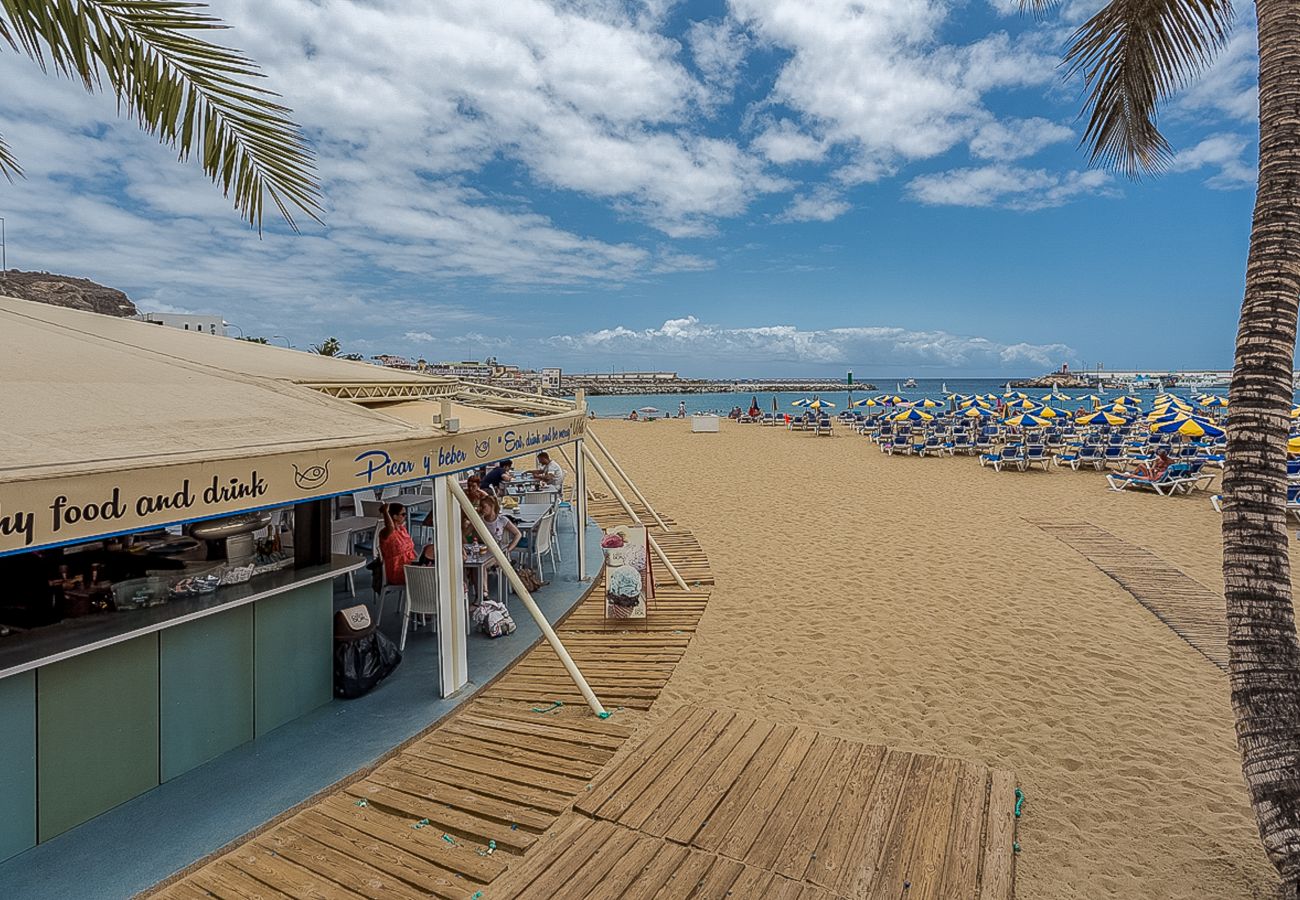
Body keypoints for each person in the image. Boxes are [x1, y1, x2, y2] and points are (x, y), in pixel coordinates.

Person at [378, 502, 416, 587]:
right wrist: (385, 512)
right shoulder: (385, 533)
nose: (405, 516)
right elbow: (390, 527)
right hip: (397, 570)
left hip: (409, 565)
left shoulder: (402, 529)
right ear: (394, 516)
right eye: (403, 514)